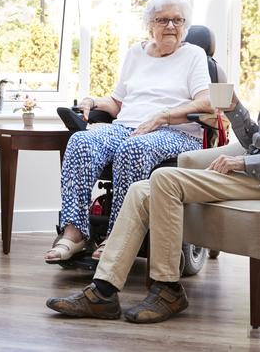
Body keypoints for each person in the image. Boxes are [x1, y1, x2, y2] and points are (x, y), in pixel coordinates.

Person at [46, 90, 259, 323]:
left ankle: (168, 289)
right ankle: (103, 292)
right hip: (248, 173)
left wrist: (243, 162)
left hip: (252, 176)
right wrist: (236, 109)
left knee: (165, 179)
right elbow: (254, 141)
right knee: (140, 190)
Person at [45, 0, 211, 263]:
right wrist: (91, 100)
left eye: (177, 20)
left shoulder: (194, 55)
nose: (171, 26)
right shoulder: (136, 53)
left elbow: (206, 102)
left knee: (133, 149)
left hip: (175, 132)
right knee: (81, 141)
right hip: (128, 126)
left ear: (185, 25)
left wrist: (162, 117)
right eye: (162, 20)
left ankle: (118, 237)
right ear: (150, 24)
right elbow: (117, 102)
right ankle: (74, 233)